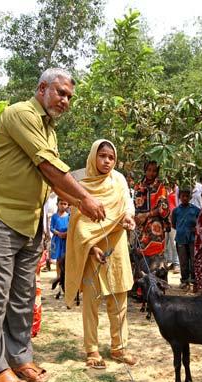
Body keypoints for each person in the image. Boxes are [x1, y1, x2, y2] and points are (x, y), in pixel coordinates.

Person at [0, 68, 105, 382]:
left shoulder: (50, 131)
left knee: (21, 298)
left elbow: (53, 181)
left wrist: (80, 203)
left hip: (30, 224)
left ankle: (19, 358)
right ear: (42, 88)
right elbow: (48, 167)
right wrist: (85, 198)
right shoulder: (21, 114)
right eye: (61, 92)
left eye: (70, 96)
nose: (66, 101)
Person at [65, 139, 137, 369]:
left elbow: (127, 205)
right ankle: (92, 350)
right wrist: (91, 247)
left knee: (120, 300)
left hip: (116, 247)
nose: (107, 161)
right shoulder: (81, 183)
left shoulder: (119, 180)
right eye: (102, 156)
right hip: (91, 249)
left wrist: (128, 217)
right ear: (93, 156)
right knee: (91, 302)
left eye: (111, 157)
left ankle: (119, 347)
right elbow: (77, 220)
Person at [133, 161, 170, 271]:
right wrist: (136, 218)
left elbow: (163, 208)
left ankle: (157, 286)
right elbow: (133, 205)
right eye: (149, 170)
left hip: (155, 230)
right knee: (139, 255)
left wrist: (147, 215)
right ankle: (141, 285)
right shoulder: (138, 187)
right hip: (140, 227)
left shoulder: (161, 187)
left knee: (155, 260)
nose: (151, 173)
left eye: (154, 170)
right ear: (145, 170)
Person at [171, 188, 200, 290]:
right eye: (182, 196)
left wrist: (194, 229)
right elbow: (173, 224)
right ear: (179, 197)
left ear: (190, 197)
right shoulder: (176, 211)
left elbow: (200, 223)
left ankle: (194, 280)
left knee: (193, 260)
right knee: (183, 261)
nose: (184, 198)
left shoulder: (195, 210)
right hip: (180, 238)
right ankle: (184, 280)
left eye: (187, 196)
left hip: (192, 239)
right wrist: (182, 229)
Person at [50, 198, 70, 279]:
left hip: (66, 240)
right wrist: (58, 233)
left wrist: (66, 233)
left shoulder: (69, 216)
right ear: (57, 204)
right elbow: (51, 228)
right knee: (58, 259)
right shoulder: (54, 216)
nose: (63, 206)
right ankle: (58, 276)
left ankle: (65, 277)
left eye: (65, 204)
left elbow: (71, 228)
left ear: (68, 205)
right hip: (57, 240)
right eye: (61, 203)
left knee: (66, 258)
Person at [164, 183, 180, 272]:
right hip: (166, 221)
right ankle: (166, 262)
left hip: (173, 221)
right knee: (165, 243)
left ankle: (176, 263)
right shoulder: (168, 195)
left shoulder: (176, 195)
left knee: (174, 243)